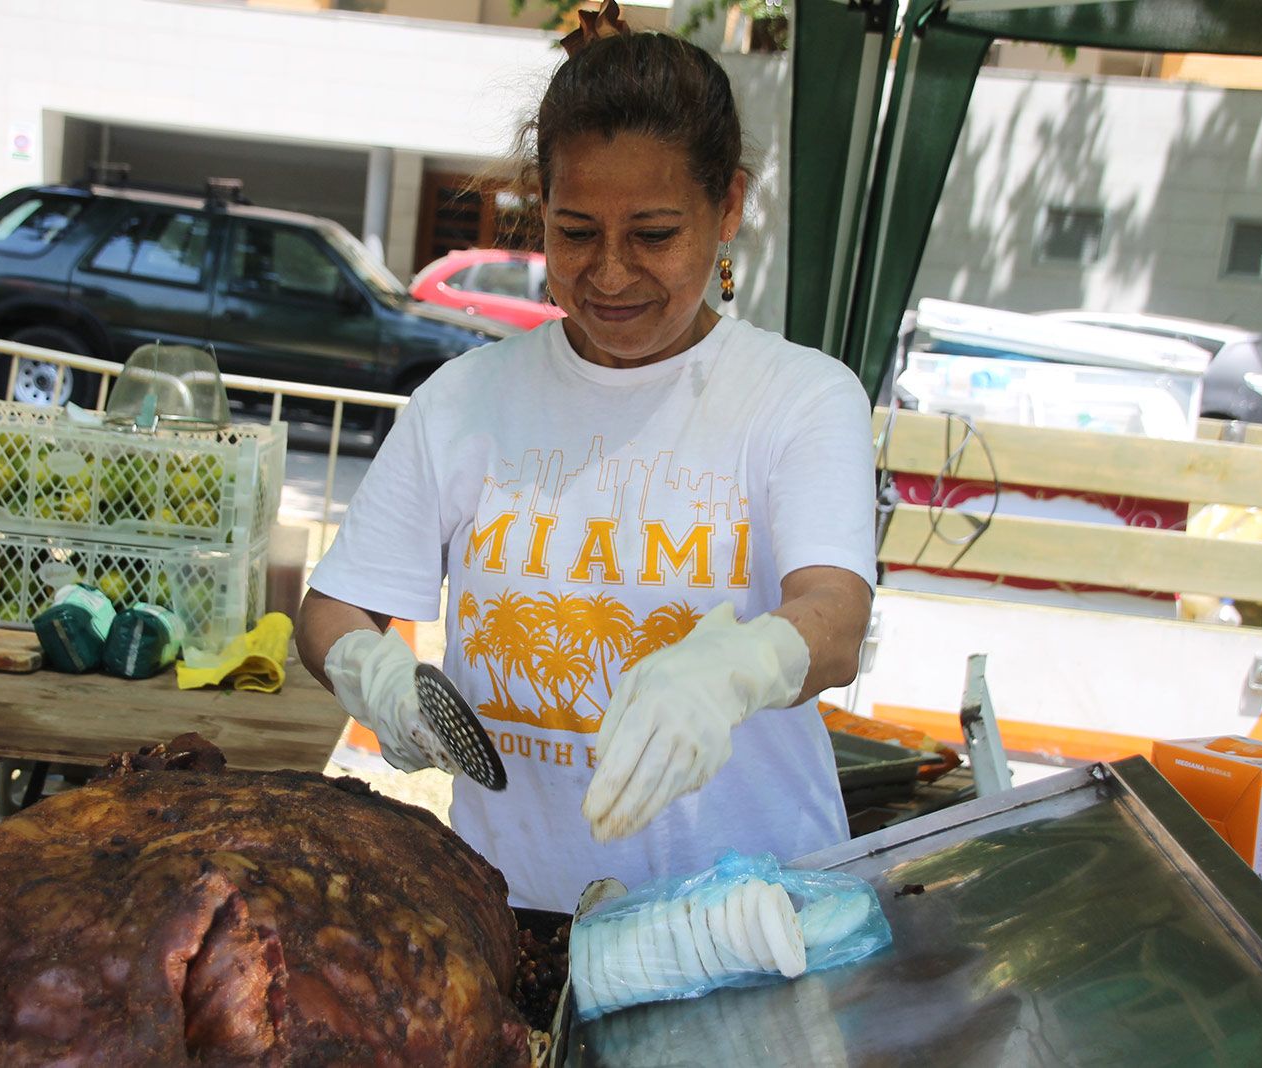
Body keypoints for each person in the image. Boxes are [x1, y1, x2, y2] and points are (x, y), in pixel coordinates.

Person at [296, 8, 875, 913]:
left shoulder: (800, 396)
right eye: (574, 232)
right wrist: (374, 673)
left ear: (727, 205)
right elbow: (332, 609)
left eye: (653, 234)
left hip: (752, 923)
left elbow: (835, 620)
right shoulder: (465, 401)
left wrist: (734, 669)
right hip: (515, 916)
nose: (609, 274)